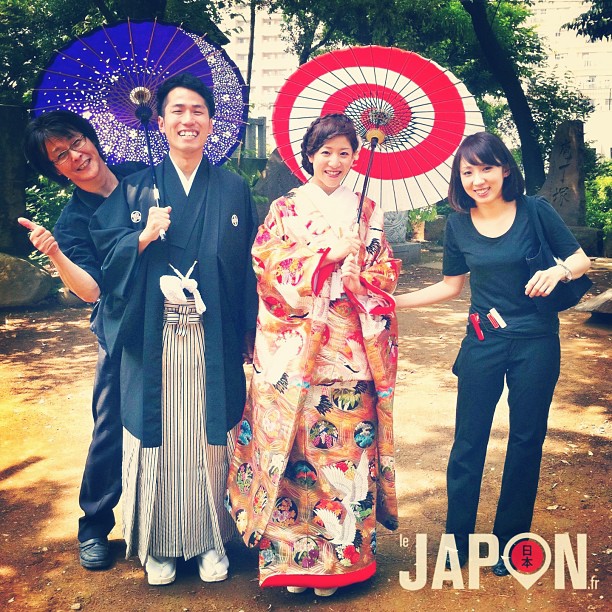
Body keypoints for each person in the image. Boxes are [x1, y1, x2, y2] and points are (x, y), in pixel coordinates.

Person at [395, 131, 591, 575]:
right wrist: (395, 301)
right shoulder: (458, 224)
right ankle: (458, 540)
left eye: (486, 167)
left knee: (525, 440)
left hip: (536, 341)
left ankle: (510, 542)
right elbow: (451, 286)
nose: (478, 179)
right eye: (468, 171)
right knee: (468, 441)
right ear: (458, 178)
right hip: (482, 342)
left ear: (505, 168)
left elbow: (581, 260)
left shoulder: (535, 211)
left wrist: (557, 272)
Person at [90, 72, 258, 586]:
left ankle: (210, 540)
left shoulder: (232, 188)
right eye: (178, 112)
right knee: (157, 439)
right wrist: (143, 236)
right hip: (153, 336)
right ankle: (157, 545)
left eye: (198, 112)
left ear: (211, 122)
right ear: (159, 122)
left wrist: (253, 335)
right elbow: (106, 260)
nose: (189, 120)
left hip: (213, 335)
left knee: (209, 437)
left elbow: (251, 266)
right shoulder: (136, 188)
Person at [226, 114, 401, 597]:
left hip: (351, 355)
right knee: (296, 456)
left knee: (346, 457)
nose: (336, 162)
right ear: (309, 155)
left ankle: (341, 560)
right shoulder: (285, 208)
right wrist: (326, 253)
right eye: (326, 152)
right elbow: (267, 266)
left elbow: (383, 276)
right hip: (296, 352)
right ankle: (291, 559)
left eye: (346, 152)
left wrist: (360, 276)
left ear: (356, 156)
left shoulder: (369, 209)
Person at [19, 110, 144, 570]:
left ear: (91, 137)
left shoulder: (146, 175)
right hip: (120, 325)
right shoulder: (73, 221)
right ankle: (94, 525)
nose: (76, 155)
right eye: (61, 155)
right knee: (110, 424)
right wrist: (54, 253)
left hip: (175, 316)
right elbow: (90, 290)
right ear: (55, 170)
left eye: (76, 142)